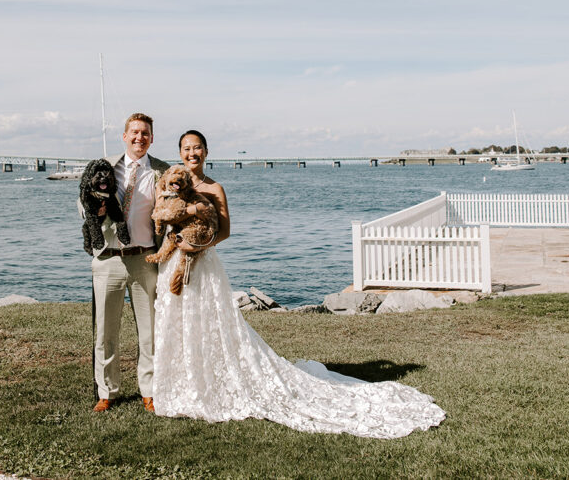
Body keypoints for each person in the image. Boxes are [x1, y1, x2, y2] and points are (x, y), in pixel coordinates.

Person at [151, 130, 446, 438]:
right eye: (186, 149)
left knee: (208, 322)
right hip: (173, 260)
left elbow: (224, 231)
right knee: (178, 321)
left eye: (197, 147)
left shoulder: (214, 188)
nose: (192, 153)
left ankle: (211, 383)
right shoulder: (167, 185)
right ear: (180, 153)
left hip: (204, 263)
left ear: (206, 152)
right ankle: (183, 383)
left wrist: (200, 243)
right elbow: (159, 216)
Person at [85, 112, 169, 413]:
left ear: (152, 138)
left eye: (145, 133)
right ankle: (107, 391)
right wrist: (91, 217)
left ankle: (150, 390)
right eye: (134, 132)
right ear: (124, 136)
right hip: (108, 259)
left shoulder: (162, 170)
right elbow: (83, 200)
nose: (139, 138)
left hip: (145, 259)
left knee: (150, 332)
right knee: (105, 331)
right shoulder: (105, 167)